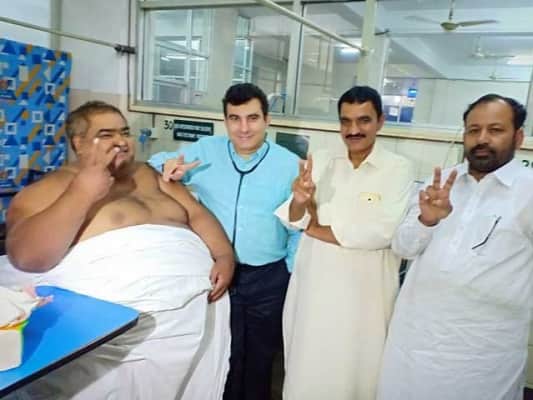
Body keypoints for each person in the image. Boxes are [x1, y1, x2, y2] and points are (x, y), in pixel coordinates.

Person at [3, 101, 234, 399]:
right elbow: (26, 257)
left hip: (194, 309)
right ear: (79, 143)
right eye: (106, 135)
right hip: (120, 319)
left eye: (124, 132)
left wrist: (224, 256)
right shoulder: (52, 187)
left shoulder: (150, 175)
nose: (121, 141)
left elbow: (197, 214)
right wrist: (82, 192)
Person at [148, 83, 300, 400]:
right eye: (235, 118)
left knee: (260, 359)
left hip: (268, 278)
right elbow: (155, 162)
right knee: (221, 357)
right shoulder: (206, 151)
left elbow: (298, 227)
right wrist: (167, 166)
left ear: (267, 120)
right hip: (217, 272)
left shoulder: (289, 165)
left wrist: (289, 271)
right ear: (225, 120)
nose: (244, 128)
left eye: (252, 118)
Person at [377, 94, 533, 400]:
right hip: (414, 342)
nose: (482, 139)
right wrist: (426, 220)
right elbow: (403, 248)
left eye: (495, 130)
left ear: (518, 137)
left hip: (484, 354)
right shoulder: (439, 184)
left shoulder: (528, 191)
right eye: (474, 130)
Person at [275, 85, 414, 400]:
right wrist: (300, 201)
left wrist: (314, 227)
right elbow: (293, 218)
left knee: (358, 374)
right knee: (308, 370)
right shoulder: (322, 160)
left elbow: (382, 231)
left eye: (363, 120)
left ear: (380, 121)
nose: (353, 130)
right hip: (315, 289)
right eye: (346, 121)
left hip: (365, 297)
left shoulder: (398, 168)